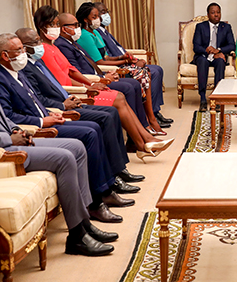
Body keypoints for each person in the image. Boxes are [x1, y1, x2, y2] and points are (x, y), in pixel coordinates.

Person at [0, 29, 116, 256]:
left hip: (11, 139)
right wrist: (8, 138)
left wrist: (16, 129)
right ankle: (77, 236)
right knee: (64, 157)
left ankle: (84, 223)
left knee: (77, 147)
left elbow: (0, 116)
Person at [0, 32, 136, 221]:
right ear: (5, 55)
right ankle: (98, 199)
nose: (23, 53)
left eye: (23, 48)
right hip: (37, 128)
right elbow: (8, 115)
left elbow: (35, 100)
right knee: (90, 132)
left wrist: (50, 112)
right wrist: (43, 121)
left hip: (50, 115)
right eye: (19, 50)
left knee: (96, 126)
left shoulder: (16, 71)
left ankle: (108, 186)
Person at [33, 6, 172, 160]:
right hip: (73, 93)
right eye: (52, 24)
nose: (56, 28)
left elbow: (72, 71)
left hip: (82, 87)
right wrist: (88, 87)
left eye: (57, 24)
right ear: (42, 27)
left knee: (120, 96)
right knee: (119, 97)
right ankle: (141, 144)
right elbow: (61, 80)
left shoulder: (53, 46)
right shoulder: (45, 49)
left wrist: (91, 83)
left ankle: (146, 138)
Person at [15, 27, 144, 186]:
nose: (39, 45)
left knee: (111, 112)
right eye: (34, 42)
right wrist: (62, 105)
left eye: (38, 41)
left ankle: (119, 169)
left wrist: (70, 97)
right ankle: (112, 179)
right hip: (59, 108)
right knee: (104, 119)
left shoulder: (37, 62)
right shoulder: (25, 69)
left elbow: (56, 84)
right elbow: (39, 98)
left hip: (68, 99)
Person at [74, 2, 164, 135]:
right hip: (103, 70)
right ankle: (148, 120)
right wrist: (125, 62)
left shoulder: (95, 33)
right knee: (141, 74)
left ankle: (149, 118)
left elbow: (106, 56)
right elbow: (100, 62)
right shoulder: (85, 35)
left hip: (110, 65)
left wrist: (123, 57)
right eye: (95, 17)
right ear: (85, 19)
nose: (98, 19)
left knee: (144, 73)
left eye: (98, 16)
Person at [93, 1, 170, 129]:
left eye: (107, 12)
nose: (106, 15)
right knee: (154, 72)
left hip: (126, 61)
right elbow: (107, 57)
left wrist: (135, 59)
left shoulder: (105, 31)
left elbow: (120, 50)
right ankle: (151, 114)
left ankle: (155, 111)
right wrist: (130, 62)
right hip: (120, 66)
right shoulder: (96, 33)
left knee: (158, 69)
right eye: (102, 12)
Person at [192, 3, 236, 112]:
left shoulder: (226, 27)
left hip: (217, 56)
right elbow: (196, 46)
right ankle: (203, 98)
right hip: (203, 55)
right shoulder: (200, 27)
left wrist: (218, 50)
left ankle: (217, 97)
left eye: (218, 12)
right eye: (213, 12)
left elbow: (232, 45)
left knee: (220, 61)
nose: (216, 15)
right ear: (208, 15)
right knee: (202, 62)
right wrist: (208, 50)